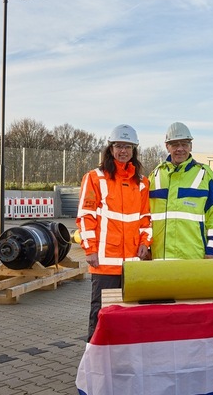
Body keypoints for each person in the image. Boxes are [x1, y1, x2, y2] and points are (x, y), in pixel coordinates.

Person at [76, 124, 151, 341]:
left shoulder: (142, 183)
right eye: (118, 146)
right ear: (110, 149)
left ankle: (124, 356)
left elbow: (146, 218)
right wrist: (89, 249)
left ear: (133, 150)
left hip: (132, 263)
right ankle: (96, 357)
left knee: (129, 313)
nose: (123, 151)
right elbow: (85, 216)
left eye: (128, 146)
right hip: (104, 262)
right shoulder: (95, 178)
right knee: (101, 313)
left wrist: (146, 242)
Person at [148, 122, 213, 260]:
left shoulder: (204, 175)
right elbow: (146, 217)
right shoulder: (155, 176)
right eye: (175, 144)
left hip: (194, 259)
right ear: (167, 146)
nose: (180, 149)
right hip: (159, 259)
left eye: (184, 144)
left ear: (191, 146)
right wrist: (146, 247)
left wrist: (212, 250)